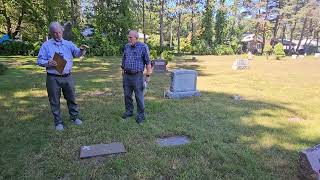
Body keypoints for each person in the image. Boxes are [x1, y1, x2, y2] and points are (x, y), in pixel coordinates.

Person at [37, 22, 88, 131]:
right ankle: (58, 122)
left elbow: (77, 54)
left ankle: (74, 117)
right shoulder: (46, 46)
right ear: (51, 33)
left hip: (67, 76)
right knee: (54, 100)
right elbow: (39, 61)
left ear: (62, 32)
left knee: (71, 98)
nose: (58, 35)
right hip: (53, 77)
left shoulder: (68, 44)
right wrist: (47, 63)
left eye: (59, 32)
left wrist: (82, 50)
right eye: (55, 33)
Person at [121, 30, 152, 124]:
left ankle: (141, 115)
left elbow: (148, 62)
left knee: (139, 96)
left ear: (136, 38)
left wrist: (148, 75)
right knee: (127, 95)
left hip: (137, 76)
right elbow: (124, 59)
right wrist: (123, 70)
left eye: (131, 37)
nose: (129, 39)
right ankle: (129, 111)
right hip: (126, 75)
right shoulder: (127, 46)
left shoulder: (143, 47)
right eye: (128, 37)